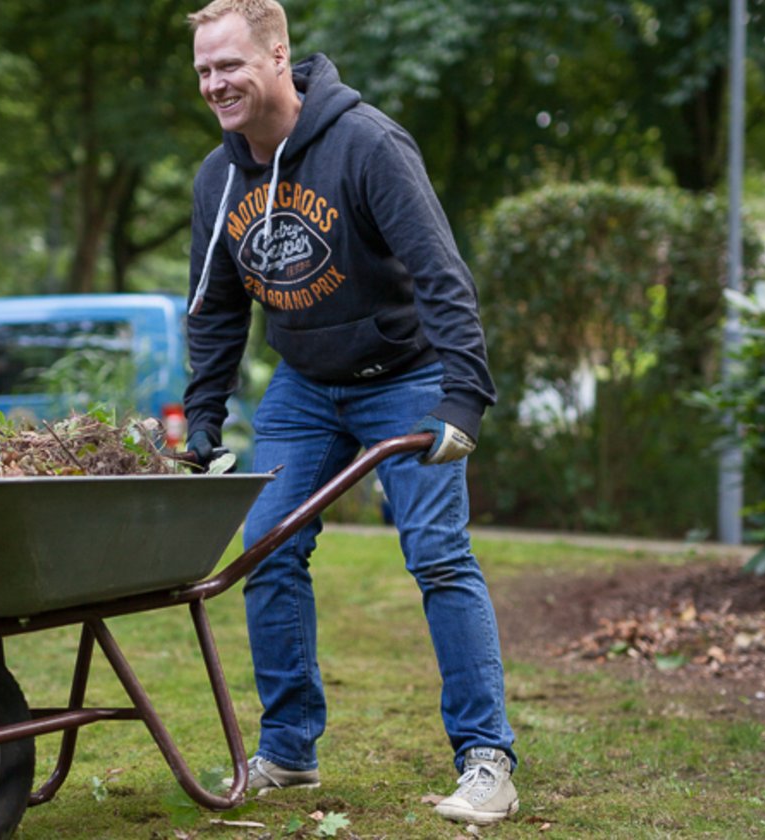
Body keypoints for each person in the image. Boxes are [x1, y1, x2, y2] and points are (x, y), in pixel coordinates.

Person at [181, 0, 519, 826]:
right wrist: (203, 418)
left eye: (229, 64)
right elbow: (217, 310)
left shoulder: (366, 143)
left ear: (277, 55)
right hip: (303, 385)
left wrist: (462, 397)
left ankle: (487, 760)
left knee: (438, 555)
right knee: (269, 550)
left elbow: (441, 272)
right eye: (202, 71)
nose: (215, 83)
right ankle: (291, 749)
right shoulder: (217, 179)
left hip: (405, 373)